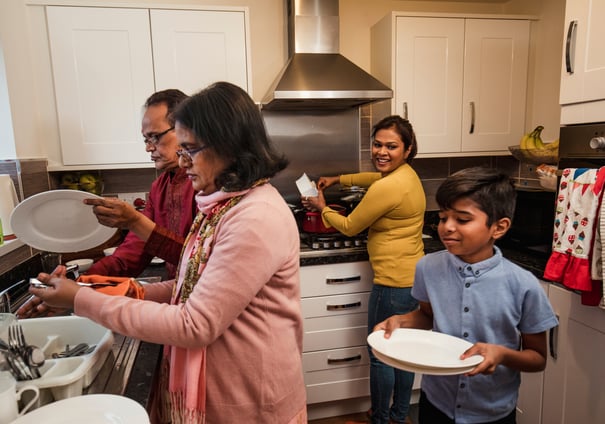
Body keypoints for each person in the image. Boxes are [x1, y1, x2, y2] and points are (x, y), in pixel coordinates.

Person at [28, 81, 307, 424]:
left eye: (190, 149)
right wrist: (111, 289)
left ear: (228, 146)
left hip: (249, 399)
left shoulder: (254, 217)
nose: (182, 160)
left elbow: (195, 324)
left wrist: (80, 301)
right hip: (226, 390)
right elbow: (188, 286)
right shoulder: (218, 208)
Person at [375, 167, 558, 424]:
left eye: (462, 219)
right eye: (442, 217)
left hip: (492, 411)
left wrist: (502, 354)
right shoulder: (427, 267)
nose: (447, 227)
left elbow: (537, 359)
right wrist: (401, 321)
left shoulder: (523, 284)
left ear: (499, 227)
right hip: (436, 400)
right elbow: (427, 316)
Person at [302, 115, 426, 424]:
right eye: (377, 144)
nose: (381, 152)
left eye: (391, 146)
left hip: (392, 282)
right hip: (412, 275)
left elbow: (349, 226)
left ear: (408, 149)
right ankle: (398, 414)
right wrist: (337, 180)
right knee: (403, 351)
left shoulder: (390, 187)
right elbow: (373, 179)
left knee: (381, 353)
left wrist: (322, 208)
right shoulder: (405, 175)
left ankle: (381, 418)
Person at [84, 88, 196, 279]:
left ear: (184, 129)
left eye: (155, 136)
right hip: (177, 293)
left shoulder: (207, 183)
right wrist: (85, 281)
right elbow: (133, 252)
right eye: (146, 139)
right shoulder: (159, 187)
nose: (148, 147)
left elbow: (198, 259)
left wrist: (134, 221)